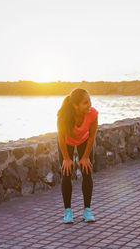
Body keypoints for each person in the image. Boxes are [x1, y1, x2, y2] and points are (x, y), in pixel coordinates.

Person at [57, 88, 98, 224]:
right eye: (85, 103)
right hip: (66, 142)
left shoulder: (92, 114)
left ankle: (87, 210)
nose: (89, 105)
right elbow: (61, 138)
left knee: (87, 171)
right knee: (66, 172)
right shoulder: (63, 115)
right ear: (75, 105)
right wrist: (67, 159)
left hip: (84, 141)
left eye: (89, 101)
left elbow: (92, 136)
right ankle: (68, 211)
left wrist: (85, 157)